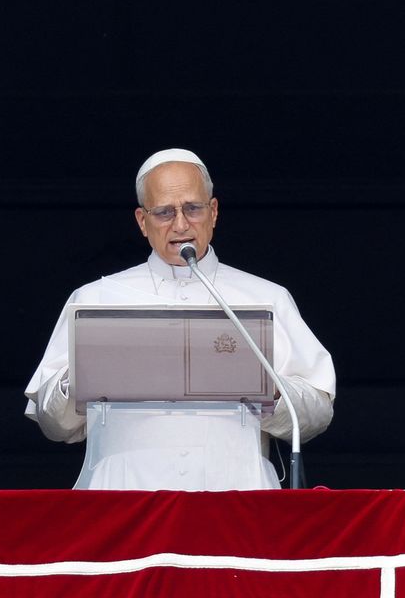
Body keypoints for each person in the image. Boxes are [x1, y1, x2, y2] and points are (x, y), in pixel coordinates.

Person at [24, 148, 335, 489]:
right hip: (124, 491)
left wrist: (271, 391)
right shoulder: (94, 298)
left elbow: (316, 416)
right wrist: (80, 380)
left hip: (238, 491)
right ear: (143, 222)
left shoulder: (267, 297)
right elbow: (53, 425)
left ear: (213, 212)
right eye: (164, 213)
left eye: (193, 208)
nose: (181, 224)